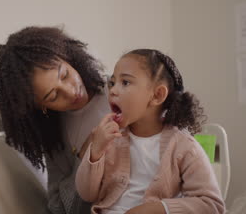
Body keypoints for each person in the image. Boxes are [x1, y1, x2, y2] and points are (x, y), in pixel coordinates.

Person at [75, 49, 225, 214]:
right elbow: (86, 194)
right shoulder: (108, 139)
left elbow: (211, 204)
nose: (112, 90)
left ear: (157, 95)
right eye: (112, 83)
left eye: (125, 82)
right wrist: (96, 151)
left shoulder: (183, 145)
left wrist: (158, 208)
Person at [0, 26, 110, 214]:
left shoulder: (119, 90)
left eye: (65, 74)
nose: (71, 92)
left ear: (69, 58)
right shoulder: (56, 140)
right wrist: (84, 158)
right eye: (53, 96)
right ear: (41, 107)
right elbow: (59, 208)